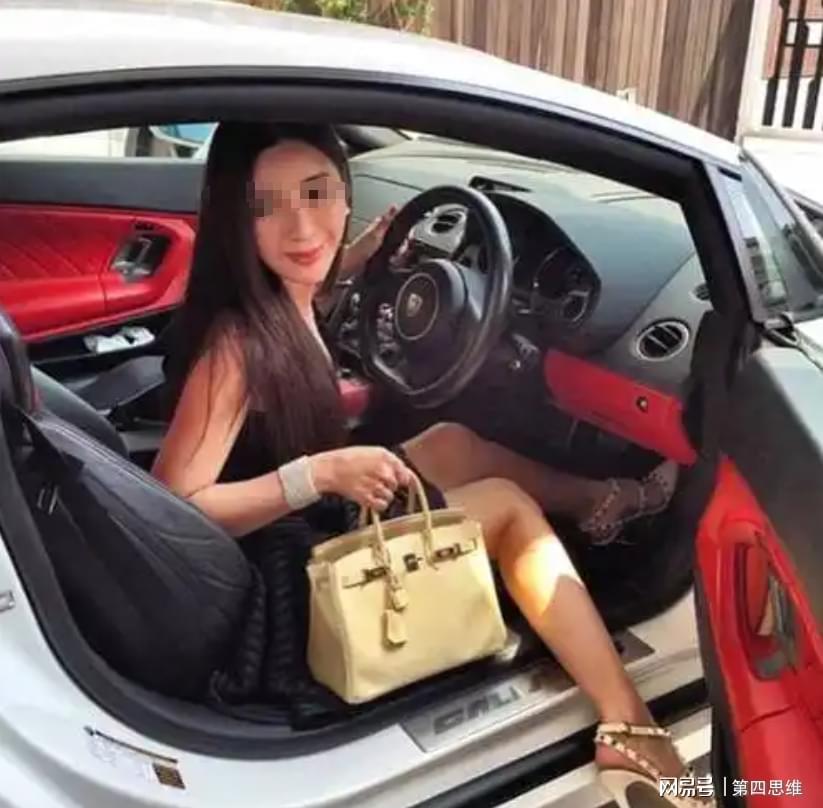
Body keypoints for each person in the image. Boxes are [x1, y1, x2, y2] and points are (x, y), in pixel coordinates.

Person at [152, 122, 708, 808]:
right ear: (238, 221)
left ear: (345, 192)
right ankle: (630, 726)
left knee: (453, 442)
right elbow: (175, 513)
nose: (301, 226)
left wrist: (359, 260)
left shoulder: (287, 296)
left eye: (317, 194)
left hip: (304, 523)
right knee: (506, 507)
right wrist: (317, 475)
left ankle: (608, 503)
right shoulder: (236, 345)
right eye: (267, 206)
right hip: (289, 592)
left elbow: (314, 292)